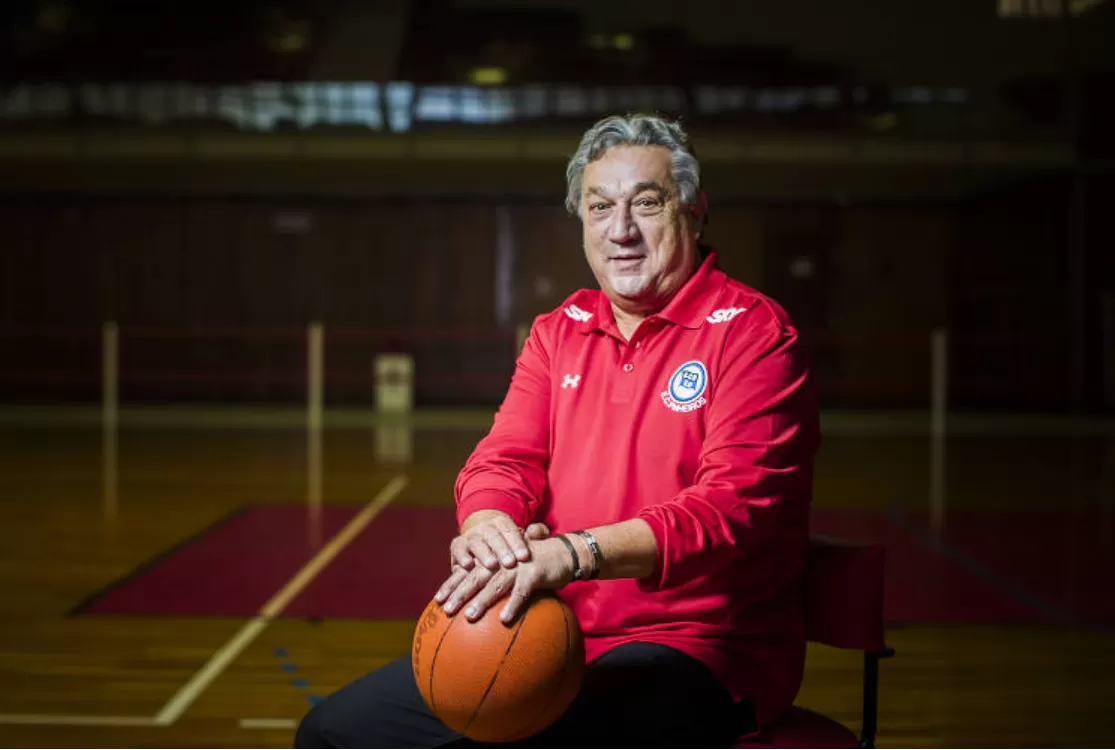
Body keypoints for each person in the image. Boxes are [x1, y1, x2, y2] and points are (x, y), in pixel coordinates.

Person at [295, 113, 820, 749]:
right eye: (600, 208)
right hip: (552, 633)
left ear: (695, 211)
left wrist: (571, 553)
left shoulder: (753, 333)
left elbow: (733, 507)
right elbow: (503, 459)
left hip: (698, 649)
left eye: (646, 204)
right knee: (332, 734)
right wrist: (488, 527)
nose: (620, 230)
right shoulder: (559, 331)